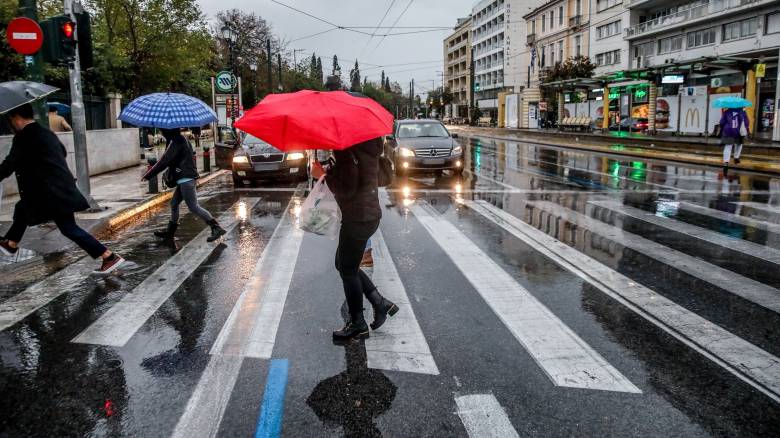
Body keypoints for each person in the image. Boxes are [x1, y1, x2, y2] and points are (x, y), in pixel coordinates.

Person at [0, 104, 124, 274]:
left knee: (69, 228)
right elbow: (62, 152)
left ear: (16, 117)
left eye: (11, 119)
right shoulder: (46, 133)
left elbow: (9, 165)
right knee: (22, 207)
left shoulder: (23, 137)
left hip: (50, 192)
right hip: (58, 188)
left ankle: (108, 256)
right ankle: (11, 244)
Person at [312, 137, 399, 343]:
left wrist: (322, 176)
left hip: (357, 218)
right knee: (342, 264)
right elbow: (360, 178)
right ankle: (380, 303)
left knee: (347, 270)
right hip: (368, 215)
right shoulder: (368, 146)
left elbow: (347, 187)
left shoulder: (346, 149)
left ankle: (358, 325)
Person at [143, 128, 226, 242]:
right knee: (174, 203)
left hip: (185, 178)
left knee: (193, 206)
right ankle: (170, 232)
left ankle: (216, 227)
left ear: (168, 131)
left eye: (162, 130)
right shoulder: (181, 139)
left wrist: (149, 174)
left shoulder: (176, 141)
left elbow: (164, 161)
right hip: (185, 177)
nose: (161, 133)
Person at [719, 106, 750, 175]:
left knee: (728, 147)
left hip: (728, 131)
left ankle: (726, 163)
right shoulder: (742, 112)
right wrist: (746, 129)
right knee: (739, 144)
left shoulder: (726, 112)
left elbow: (721, 122)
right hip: (738, 132)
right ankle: (736, 157)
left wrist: (723, 128)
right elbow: (747, 122)